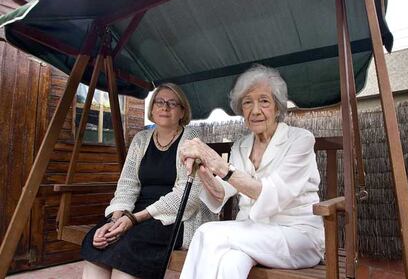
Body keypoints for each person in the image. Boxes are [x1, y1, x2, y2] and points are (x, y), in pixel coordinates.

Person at [179, 64, 325, 279]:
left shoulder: (300, 140)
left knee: (206, 232)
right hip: (250, 233)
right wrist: (203, 168)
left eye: (264, 101)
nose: (255, 110)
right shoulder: (241, 146)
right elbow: (221, 193)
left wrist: (218, 163)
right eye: (248, 102)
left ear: (277, 107)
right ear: (242, 110)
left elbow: (273, 194)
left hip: (296, 235)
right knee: (229, 263)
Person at [81, 83, 216, 279]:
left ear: (182, 112)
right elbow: (127, 184)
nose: (165, 107)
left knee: (129, 247)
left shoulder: (191, 140)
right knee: (99, 240)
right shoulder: (141, 139)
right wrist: (115, 218)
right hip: (135, 213)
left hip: (176, 217)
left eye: (172, 103)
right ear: (152, 108)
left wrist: (134, 219)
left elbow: (187, 198)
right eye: (159, 102)